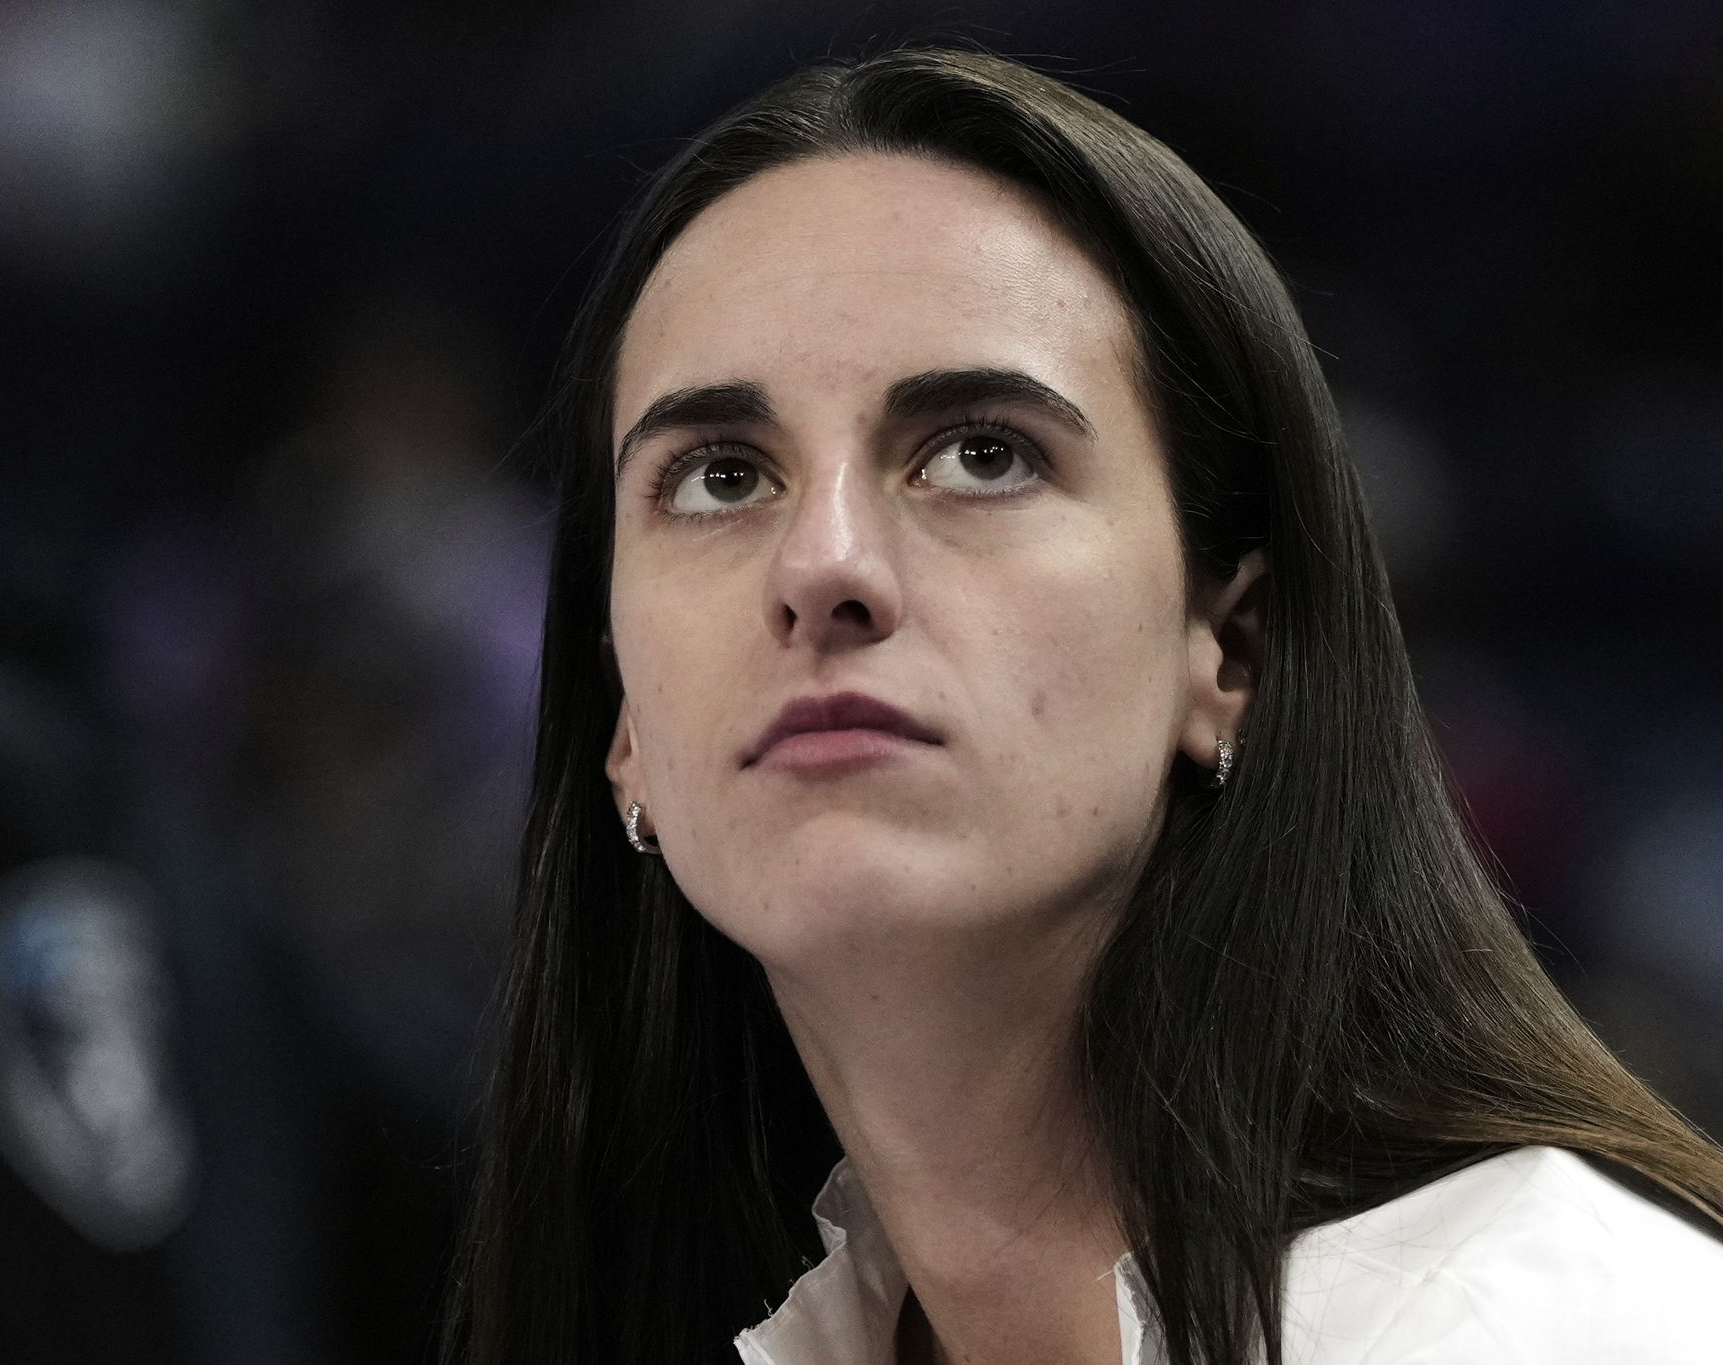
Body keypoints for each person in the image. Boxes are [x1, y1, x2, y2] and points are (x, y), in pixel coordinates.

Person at [447, 46, 1723, 1365]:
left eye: (979, 454)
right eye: (719, 476)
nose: (823, 563)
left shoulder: (1573, 1324)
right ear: (624, 730)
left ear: (1228, 651)